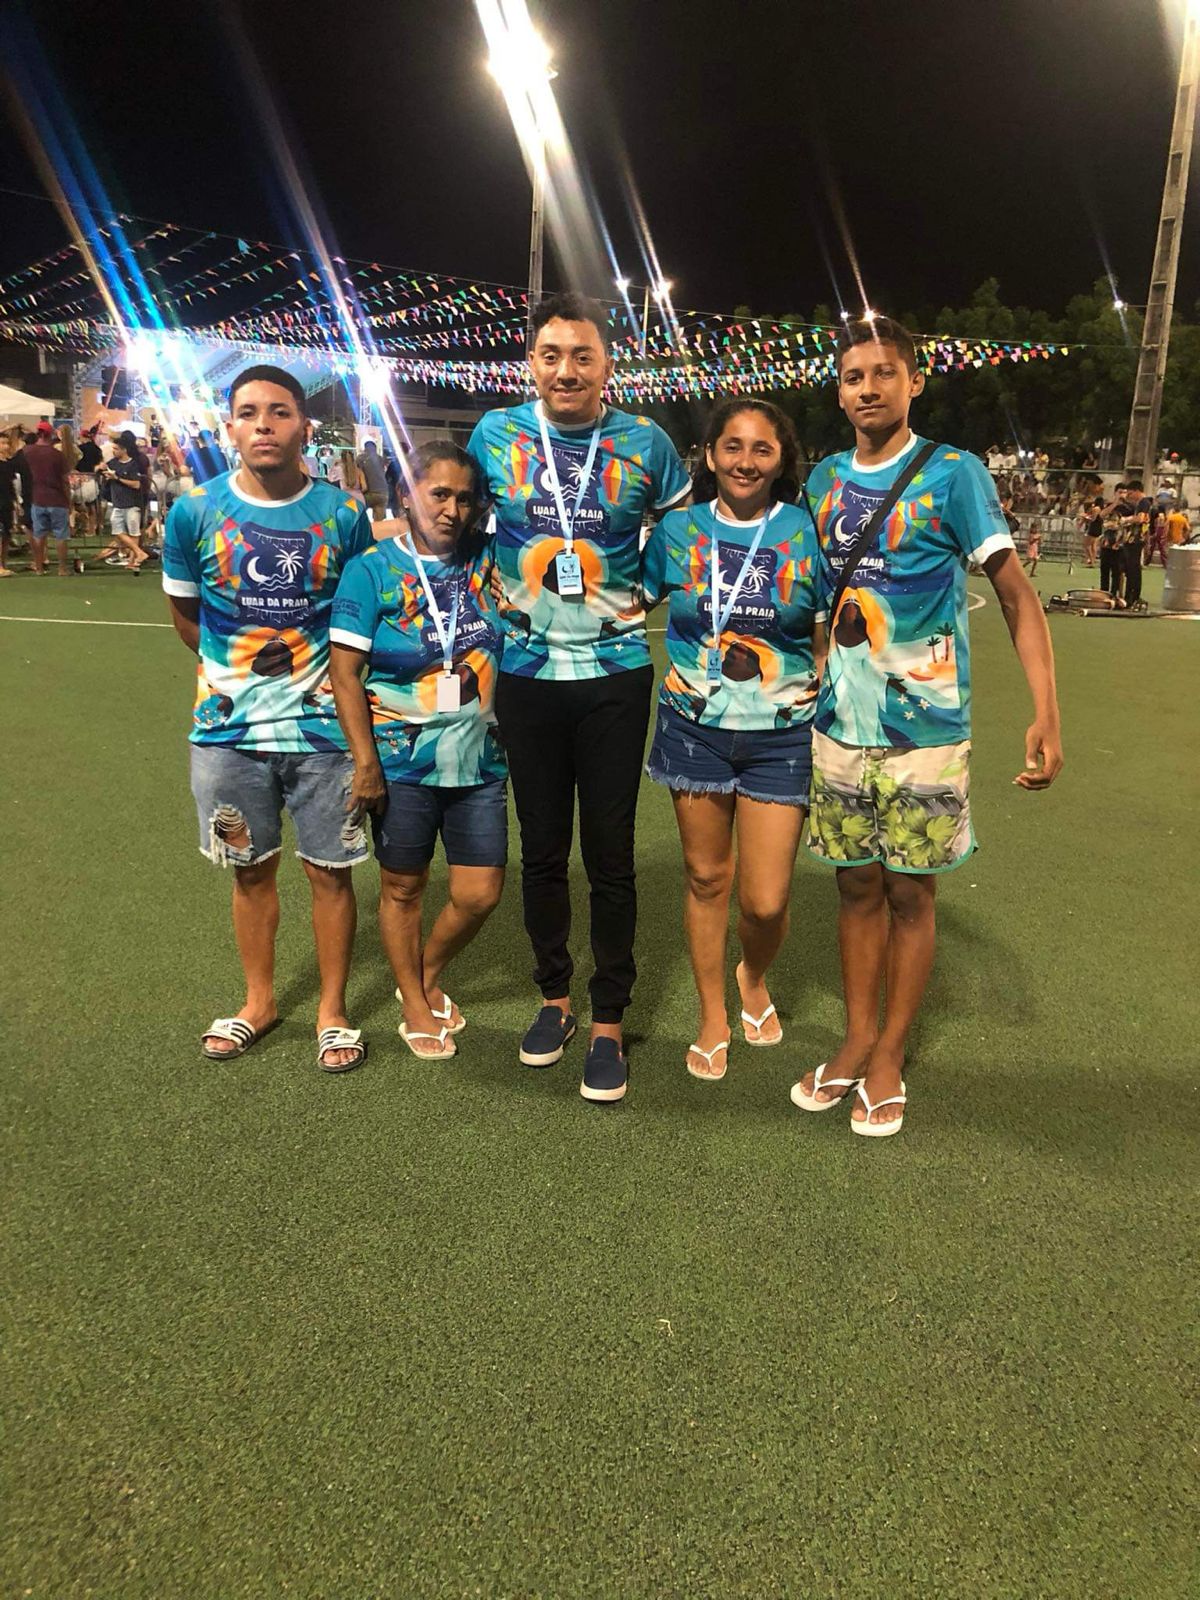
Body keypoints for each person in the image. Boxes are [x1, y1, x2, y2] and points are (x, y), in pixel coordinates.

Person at [791, 317, 1062, 1137]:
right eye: (853, 376)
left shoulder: (954, 473)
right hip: (838, 726)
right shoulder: (824, 479)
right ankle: (856, 1037)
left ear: (915, 381)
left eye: (884, 372)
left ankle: (889, 1052)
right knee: (854, 886)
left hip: (926, 729)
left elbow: (1015, 596)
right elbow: (816, 594)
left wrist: (1047, 710)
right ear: (839, 391)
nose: (868, 388)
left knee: (909, 891)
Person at [468, 291, 690, 1103]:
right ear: (532, 363)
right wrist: (488, 604)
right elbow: (463, 530)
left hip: (614, 676)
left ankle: (609, 1019)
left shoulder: (646, 442)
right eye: (552, 355)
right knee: (542, 851)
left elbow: (681, 531)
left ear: (606, 365)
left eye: (582, 356)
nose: (567, 370)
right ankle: (555, 998)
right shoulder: (496, 434)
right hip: (526, 675)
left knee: (611, 853)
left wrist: (643, 598)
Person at [162, 364, 374, 1072]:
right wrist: (239, 678)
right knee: (249, 873)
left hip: (325, 735)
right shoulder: (195, 511)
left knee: (331, 875)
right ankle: (259, 1002)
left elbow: (357, 617)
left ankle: (332, 1010)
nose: (264, 424)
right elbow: (187, 619)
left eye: (279, 411)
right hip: (228, 736)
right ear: (229, 426)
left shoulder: (343, 514)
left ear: (303, 427)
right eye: (249, 412)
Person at [641, 399, 824, 1080]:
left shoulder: (804, 530)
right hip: (693, 729)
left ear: (781, 461)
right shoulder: (678, 530)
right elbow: (631, 601)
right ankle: (712, 1012)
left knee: (766, 901)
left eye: (762, 449)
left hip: (783, 734)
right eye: (733, 447)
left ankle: (752, 972)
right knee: (706, 877)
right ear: (711, 455)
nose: (746, 461)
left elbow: (828, 624)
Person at [329, 442, 507, 1059]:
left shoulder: (489, 559)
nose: (453, 510)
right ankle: (412, 1000)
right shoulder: (371, 570)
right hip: (400, 762)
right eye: (439, 494)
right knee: (403, 887)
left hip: (481, 760)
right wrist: (365, 763)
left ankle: (425, 972)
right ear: (407, 494)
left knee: (479, 893)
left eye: (465, 498)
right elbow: (344, 672)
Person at [24, 420, 72, 575]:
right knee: (61, 535)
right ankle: (62, 568)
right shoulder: (57, 455)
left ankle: (39, 567)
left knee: (39, 535)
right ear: (50, 435)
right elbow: (65, 480)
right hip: (57, 499)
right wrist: (69, 500)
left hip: (37, 498)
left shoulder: (27, 452)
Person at [101, 431, 152, 572]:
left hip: (132, 503)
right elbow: (100, 468)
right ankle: (139, 553)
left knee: (134, 532)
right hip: (118, 503)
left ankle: (133, 561)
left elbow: (136, 484)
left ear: (124, 450)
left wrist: (116, 478)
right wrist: (101, 469)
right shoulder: (112, 463)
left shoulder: (133, 464)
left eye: (116, 449)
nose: (113, 451)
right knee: (117, 530)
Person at [0, 432, 32, 576]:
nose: (6, 446)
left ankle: (3, 563)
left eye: (7, 443)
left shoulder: (9, 463)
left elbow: (11, 485)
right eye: (2, 443)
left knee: (7, 534)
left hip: (7, 502)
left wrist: (16, 502)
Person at [356, 439, 389, 520]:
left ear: (365, 448)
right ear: (375, 448)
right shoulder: (381, 459)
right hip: (382, 493)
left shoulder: (360, 459)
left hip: (367, 493)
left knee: (358, 517)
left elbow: (357, 474)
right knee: (379, 522)